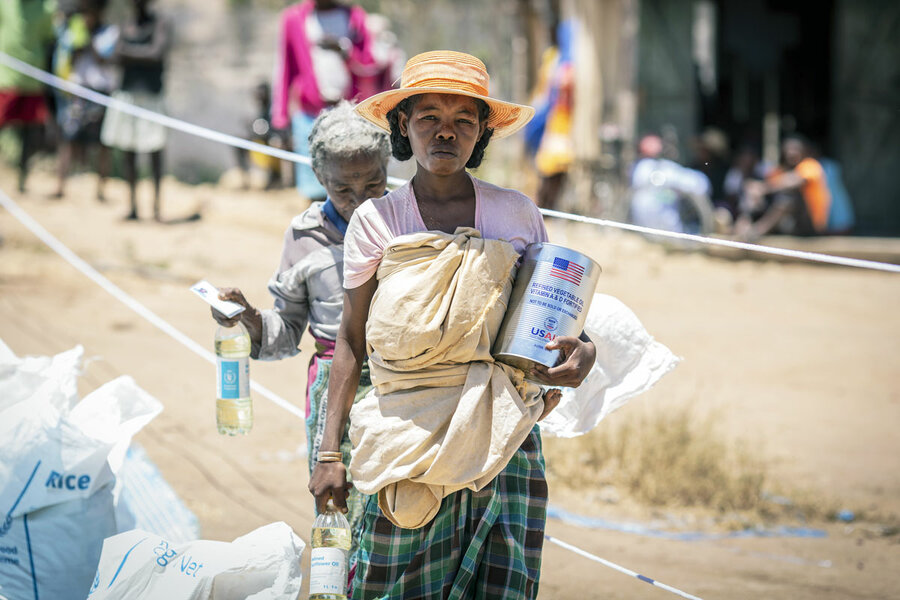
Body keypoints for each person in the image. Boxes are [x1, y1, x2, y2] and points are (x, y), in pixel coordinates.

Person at [308, 51, 595, 599]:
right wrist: (328, 454)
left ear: (482, 132)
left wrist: (585, 351)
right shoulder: (378, 221)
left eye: (464, 119)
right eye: (429, 118)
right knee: (391, 582)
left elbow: (557, 317)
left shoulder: (517, 215)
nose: (446, 133)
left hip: (504, 435)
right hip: (406, 434)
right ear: (403, 126)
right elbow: (350, 340)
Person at [210, 102, 389, 584]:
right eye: (342, 188)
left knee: (399, 513)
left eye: (372, 185)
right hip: (336, 389)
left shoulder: (406, 222)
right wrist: (247, 317)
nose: (358, 200)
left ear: (389, 168)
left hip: (405, 383)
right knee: (338, 508)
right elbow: (284, 335)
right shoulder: (305, 236)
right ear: (318, 176)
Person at [271, 0, 375, 203]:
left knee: (354, 181)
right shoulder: (294, 19)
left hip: (350, 114)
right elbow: (285, 70)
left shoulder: (355, 17)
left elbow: (369, 64)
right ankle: (320, 230)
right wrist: (280, 118)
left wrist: (346, 52)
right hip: (310, 116)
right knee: (315, 185)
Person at [99, 0, 171, 221]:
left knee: (154, 151)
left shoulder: (161, 23)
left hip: (150, 95)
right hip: (127, 95)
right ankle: (133, 206)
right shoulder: (125, 25)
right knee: (128, 152)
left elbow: (156, 53)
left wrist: (128, 53)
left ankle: (156, 207)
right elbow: (115, 57)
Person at [52, 0, 119, 200]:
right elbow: (68, 55)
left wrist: (88, 38)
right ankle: (60, 186)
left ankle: (101, 190)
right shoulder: (73, 31)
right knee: (68, 137)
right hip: (78, 90)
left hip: (100, 91)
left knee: (102, 142)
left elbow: (104, 58)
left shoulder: (109, 32)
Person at [0, 0, 55, 193]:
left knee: (29, 133)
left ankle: (22, 179)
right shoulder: (4, 3)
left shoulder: (47, 8)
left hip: (33, 79)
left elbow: (48, 40)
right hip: (6, 77)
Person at [735, 134, 831, 240]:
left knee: (787, 199)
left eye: (796, 149)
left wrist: (763, 188)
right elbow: (766, 185)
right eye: (788, 149)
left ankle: (756, 233)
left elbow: (795, 181)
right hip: (791, 223)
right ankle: (743, 227)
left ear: (804, 151)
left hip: (812, 225)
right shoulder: (781, 170)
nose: (792, 153)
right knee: (754, 192)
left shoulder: (810, 165)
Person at [234, 82, 291, 190]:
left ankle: (278, 178)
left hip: (273, 144)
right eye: (257, 93)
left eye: (262, 93)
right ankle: (245, 179)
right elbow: (253, 128)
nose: (259, 96)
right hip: (259, 144)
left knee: (279, 143)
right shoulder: (254, 109)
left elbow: (282, 128)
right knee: (238, 142)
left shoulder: (276, 109)